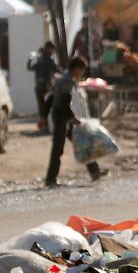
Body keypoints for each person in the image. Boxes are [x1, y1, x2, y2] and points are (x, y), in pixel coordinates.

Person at [41, 57, 106, 188]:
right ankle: (50, 180)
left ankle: (95, 172)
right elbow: (64, 102)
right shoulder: (66, 82)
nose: (81, 74)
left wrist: (44, 116)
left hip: (63, 118)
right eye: (81, 70)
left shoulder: (62, 79)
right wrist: (73, 118)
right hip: (61, 118)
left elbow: (50, 99)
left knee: (81, 143)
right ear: (76, 68)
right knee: (58, 149)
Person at [33, 41, 59, 123]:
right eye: (53, 50)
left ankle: (43, 123)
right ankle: (48, 123)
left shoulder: (38, 58)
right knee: (48, 105)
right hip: (46, 86)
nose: (53, 52)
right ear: (50, 49)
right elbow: (56, 70)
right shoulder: (49, 59)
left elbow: (30, 67)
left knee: (41, 106)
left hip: (38, 86)